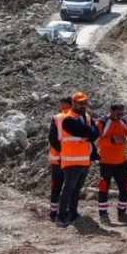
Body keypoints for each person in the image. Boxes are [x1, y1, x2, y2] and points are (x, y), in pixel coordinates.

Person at [49, 91, 99, 227]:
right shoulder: (69, 119)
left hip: (84, 159)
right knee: (68, 188)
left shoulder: (85, 118)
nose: (83, 105)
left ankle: (73, 213)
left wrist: (88, 134)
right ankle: (61, 216)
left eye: (85, 103)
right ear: (74, 103)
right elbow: (85, 132)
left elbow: (95, 133)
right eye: (80, 103)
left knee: (76, 189)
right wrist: (88, 134)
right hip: (71, 159)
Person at [95, 103, 127, 222]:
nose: (120, 116)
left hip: (121, 161)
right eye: (118, 114)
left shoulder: (123, 122)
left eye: (122, 113)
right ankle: (103, 214)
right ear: (111, 111)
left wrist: (125, 139)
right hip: (106, 162)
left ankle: (122, 213)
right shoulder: (102, 123)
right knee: (104, 188)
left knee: (125, 187)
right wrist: (112, 140)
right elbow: (96, 140)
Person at [47, 94, 74, 223]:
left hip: (57, 158)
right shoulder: (76, 117)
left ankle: (53, 212)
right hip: (72, 159)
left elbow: (52, 137)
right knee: (69, 186)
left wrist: (61, 150)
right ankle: (67, 211)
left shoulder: (57, 118)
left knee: (56, 186)